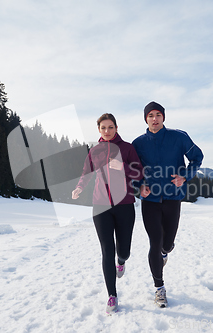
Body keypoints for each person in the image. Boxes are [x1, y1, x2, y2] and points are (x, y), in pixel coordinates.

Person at [132, 101, 204, 307]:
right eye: (150, 115)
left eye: (158, 115)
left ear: (163, 117)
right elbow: (133, 169)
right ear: (145, 119)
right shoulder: (138, 143)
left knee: (167, 243)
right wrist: (139, 185)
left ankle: (165, 251)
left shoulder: (179, 137)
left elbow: (197, 158)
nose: (154, 119)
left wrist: (185, 176)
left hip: (173, 197)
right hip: (150, 200)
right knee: (154, 243)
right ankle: (159, 288)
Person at [72, 113, 144, 314]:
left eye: (110, 127)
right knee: (106, 250)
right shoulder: (94, 151)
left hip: (125, 205)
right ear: (99, 130)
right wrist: (79, 188)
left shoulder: (127, 148)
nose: (107, 131)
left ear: (116, 127)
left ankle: (121, 262)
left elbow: (139, 173)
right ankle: (112, 295)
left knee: (124, 251)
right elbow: (86, 173)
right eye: (103, 128)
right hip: (100, 206)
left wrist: (122, 167)